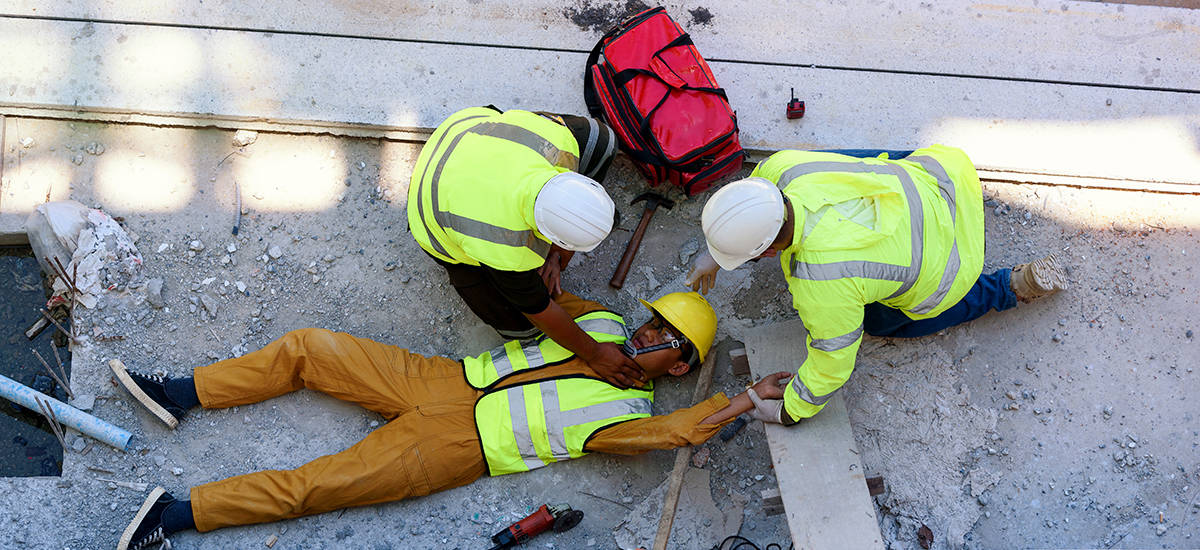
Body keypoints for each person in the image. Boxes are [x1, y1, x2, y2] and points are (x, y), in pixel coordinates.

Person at [109, 291, 792, 550]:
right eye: (653, 323)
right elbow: (540, 295)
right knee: (309, 348)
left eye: (665, 341)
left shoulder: (627, 413)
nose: (645, 337)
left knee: (316, 486)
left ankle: (174, 515)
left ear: (679, 368)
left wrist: (740, 402)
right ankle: (177, 393)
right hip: (442, 379)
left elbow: (672, 436)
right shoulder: (605, 322)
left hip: (456, 446)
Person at [687, 146, 1067, 425]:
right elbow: (754, 197)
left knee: (881, 322)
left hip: (953, 259)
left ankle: (1008, 287)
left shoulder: (820, 281)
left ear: (767, 252)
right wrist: (719, 250)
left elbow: (833, 359)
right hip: (946, 179)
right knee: (855, 161)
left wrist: (791, 410)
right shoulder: (782, 167)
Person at [407, 106, 643, 388]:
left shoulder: (561, 144)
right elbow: (537, 307)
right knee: (522, 327)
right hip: (430, 207)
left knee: (599, 139)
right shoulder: (505, 246)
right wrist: (595, 353)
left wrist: (557, 254)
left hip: (462, 131)